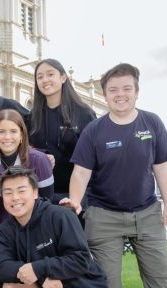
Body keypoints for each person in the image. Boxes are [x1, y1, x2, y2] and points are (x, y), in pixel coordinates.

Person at [62, 63, 167, 288]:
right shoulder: (94, 130)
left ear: (137, 91)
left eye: (126, 88)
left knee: (161, 283)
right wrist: (76, 202)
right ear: (105, 95)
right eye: (113, 89)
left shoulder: (152, 122)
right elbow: (81, 172)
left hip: (147, 213)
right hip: (104, 216)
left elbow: (162, 167)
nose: (120, 94)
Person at [0, 166, 109, 288]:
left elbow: (81, 259)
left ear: (35, 193)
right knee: (10, 287)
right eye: (8, 193)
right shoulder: (4, 230)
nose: (15, 197)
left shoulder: (61, 216)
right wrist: (40, 276)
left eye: (21, 190)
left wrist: (39, 269)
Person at [29, 58, 96, 208]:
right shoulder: (32, 116)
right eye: (39, 77)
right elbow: (26, 149)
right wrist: (42, 154)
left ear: (63, 77)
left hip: (78, 197)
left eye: (50, 74)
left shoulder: (84, 113)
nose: (45, 80)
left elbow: (94, 156)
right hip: (42, 196)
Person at [0, 109, 54, 225]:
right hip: (1, 226)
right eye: (1, 132)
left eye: (13, 131)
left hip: (34, 224)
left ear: (22, 134)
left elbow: (47, 200)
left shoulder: (39, 160)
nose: (7, 137)